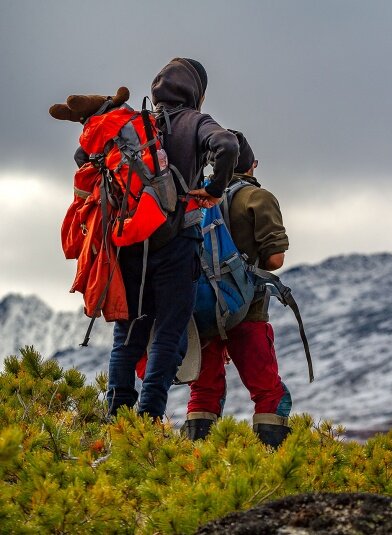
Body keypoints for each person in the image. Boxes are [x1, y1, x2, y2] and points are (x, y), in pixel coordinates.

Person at [106, 58, 238, 419]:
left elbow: (83, 155)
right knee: (168, 334)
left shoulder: (135, 124)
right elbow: (227, 145)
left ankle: (116, 417)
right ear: (197, 91)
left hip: (131, 243)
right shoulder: (196, 122)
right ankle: (148, 418)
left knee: (127, 336)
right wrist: (215, 188)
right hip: (178, 244)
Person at [183, 131, 292, 448]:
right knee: (268, 391)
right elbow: (275, 259)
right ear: (252, 165)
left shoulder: (197, 197)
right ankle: (272, 459)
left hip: (203, 310)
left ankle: (196, 459)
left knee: (203, 391)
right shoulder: (257, 198)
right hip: (248, 310)